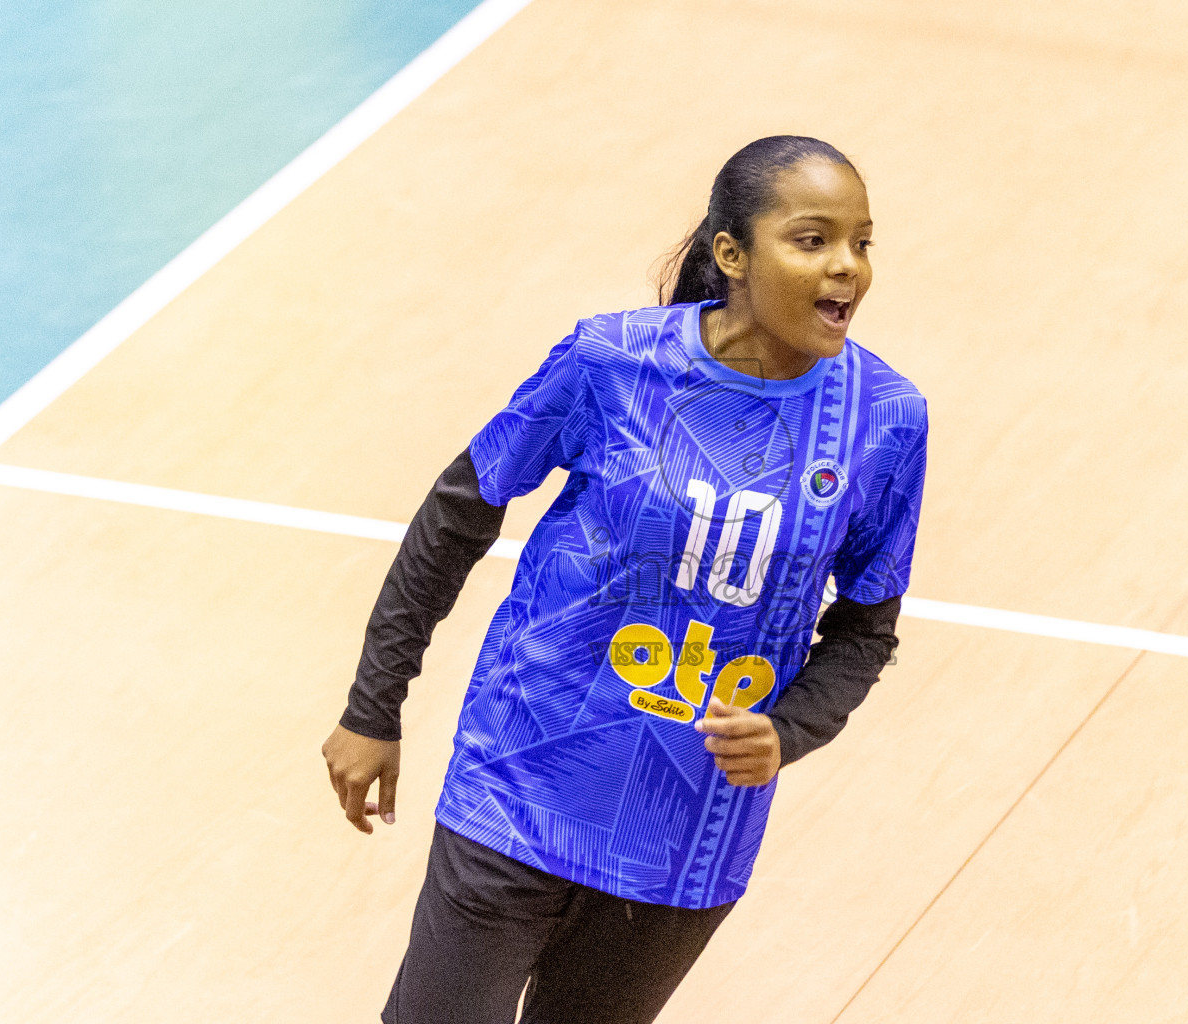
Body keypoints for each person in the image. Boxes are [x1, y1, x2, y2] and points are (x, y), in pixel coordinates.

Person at [321, 135, 929, 1024]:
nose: (847, 269)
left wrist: (787, 729)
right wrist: (374, 706)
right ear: (731, 255)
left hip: (683, 837)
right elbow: (458, 511)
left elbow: (865, 630)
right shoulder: (611, 363)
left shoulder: (886, 420)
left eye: (862, 244)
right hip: (520, 784)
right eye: (812, 241)